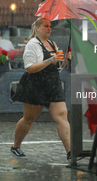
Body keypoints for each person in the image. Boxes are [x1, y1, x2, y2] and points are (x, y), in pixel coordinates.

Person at [11, 17, 72, 160]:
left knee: (62, 116)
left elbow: (56, 69)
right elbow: (29, 68)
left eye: (50, 26)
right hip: (36, 85)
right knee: (29, 119)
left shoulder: (53, 44)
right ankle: (16, 146)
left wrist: (65, 61)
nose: (49, 28)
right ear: (37, 28)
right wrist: (50, 60)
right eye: (46, 26)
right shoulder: (32, 45)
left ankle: (71, 152)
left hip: (53, 85)